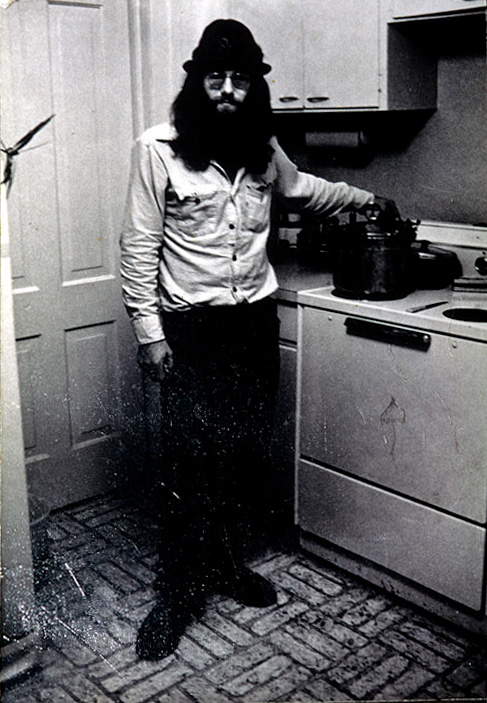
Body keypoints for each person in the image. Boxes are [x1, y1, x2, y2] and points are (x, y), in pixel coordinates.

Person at [120, 18, 394, 661]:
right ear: (196, 82)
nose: (227, 90)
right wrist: (149, 335)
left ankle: (221, 564)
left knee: (243, 457)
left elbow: (305, 191)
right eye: (215, 78)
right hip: (192, 330)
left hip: (252, 325)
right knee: (192, 463)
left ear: (253, 88)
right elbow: (137, 246)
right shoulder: (156, 148)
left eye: (239, 80)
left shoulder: (264, 150)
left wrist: (367, 199)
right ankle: (176, 593)